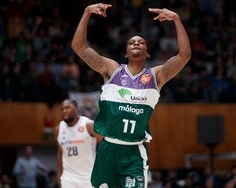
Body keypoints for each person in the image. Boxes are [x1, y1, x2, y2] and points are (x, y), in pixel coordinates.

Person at [71, 3, 191, 188]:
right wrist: (87, 11)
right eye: (132, 42)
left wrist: (176, 19)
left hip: (134, 152)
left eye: (141, 42)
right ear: (126, 53)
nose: (136, 43)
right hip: (108, 149)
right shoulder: (112, 70)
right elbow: (79, 47)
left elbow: (184, 56)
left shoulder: (156, 76)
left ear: (147, 53)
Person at [54, 99, 102, 188]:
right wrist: (59, 176)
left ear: (76, 108)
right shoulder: (58, 129)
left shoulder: (89, 125)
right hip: (68, 178)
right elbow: (60, 153)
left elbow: (105, 146)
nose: (64, 111)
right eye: (62, 109)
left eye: (67, 107)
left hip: (88, 177)